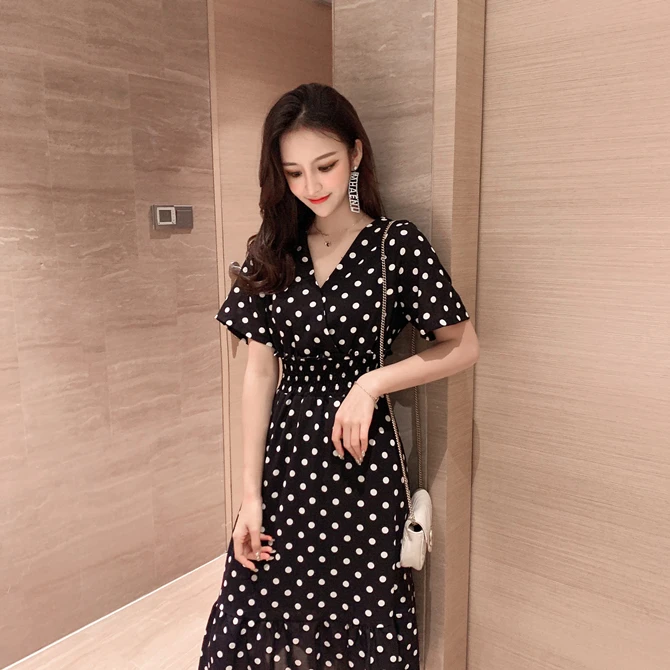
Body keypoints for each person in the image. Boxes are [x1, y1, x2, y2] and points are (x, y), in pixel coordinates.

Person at [198, 83, 479, 670]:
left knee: (357, 624)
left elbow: (462, 345)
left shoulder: (395, 246)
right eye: (294, 173)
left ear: (355, 152)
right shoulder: (272, 251)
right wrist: (248, 497)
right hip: (285, 468)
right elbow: (258, 376)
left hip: (359, 466)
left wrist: (371, 384)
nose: (312, 185)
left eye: (324, 165)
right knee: (255, 621)